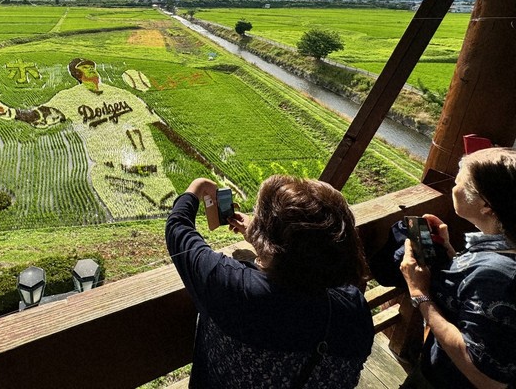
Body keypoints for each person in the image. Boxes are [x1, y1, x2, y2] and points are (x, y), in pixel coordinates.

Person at [166, 176, 373, 388]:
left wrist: (198, 186)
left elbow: (177, 228)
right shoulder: (354, 310)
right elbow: (303, 264)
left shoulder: (233, 287)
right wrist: (263, 236)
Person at [0, 58, 177, 218]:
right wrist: (9, 112)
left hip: (154, 174)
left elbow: (161, 126)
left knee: (178, 224)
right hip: (114, 176)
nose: (90, 70)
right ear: (77, 74)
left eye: (92, 67)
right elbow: (39, 117)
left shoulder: (121, 94)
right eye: (84, 68)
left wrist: (202, 160)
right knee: (133, 229)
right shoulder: (68, 98)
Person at [400, 147, 516, 388]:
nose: (453, 187)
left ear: (486, 205)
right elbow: (476, 298)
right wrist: (451, 251)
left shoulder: (497, 275)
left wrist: (419, 294)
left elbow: (486, 378)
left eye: (459, 181)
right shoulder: (503, 248)